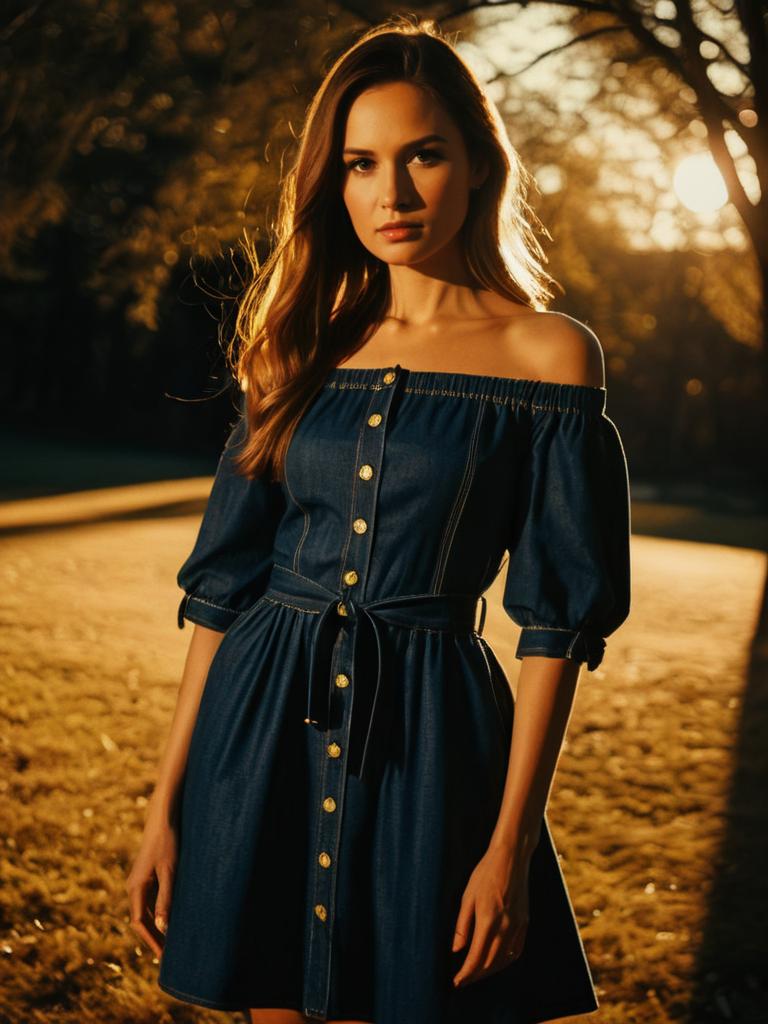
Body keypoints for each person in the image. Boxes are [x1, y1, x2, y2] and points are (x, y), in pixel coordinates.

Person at [126, 16, 631, 1024]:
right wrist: (167, 804)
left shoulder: (548, 359)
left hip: (433, 741)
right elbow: (224, 589)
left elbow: (554, 624)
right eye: (360, 163)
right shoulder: (295, 349)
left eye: (422, 156)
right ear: (333, 179)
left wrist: (510, 843)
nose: (390, 194)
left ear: (479, 163)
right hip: (260, 724)